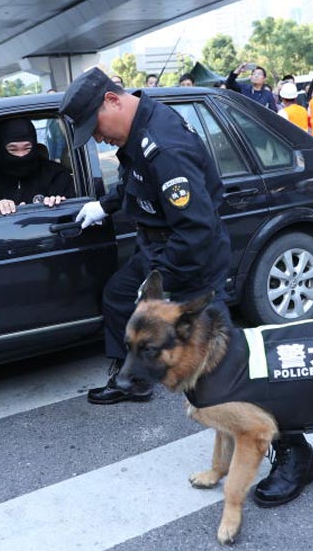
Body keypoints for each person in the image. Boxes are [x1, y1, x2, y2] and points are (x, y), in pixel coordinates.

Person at [58, 67, 231, 407]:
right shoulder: (138, 130)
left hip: (191, 257)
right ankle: (136, 378)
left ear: (112, 101)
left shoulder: (165, 146)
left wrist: (159, 281)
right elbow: (135, 184)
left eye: (94, 128)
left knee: (219, 365)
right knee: (119, 296)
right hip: (158, 246)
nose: (96, 138)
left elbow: (196, 228)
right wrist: (105, 206)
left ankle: (285, 444)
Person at [0, 117, 74, 214]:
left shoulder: (56, 174)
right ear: (0, 148)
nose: (21, 155)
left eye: (27, 148)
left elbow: (72, 209)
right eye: (13, 149)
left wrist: (56, 203)